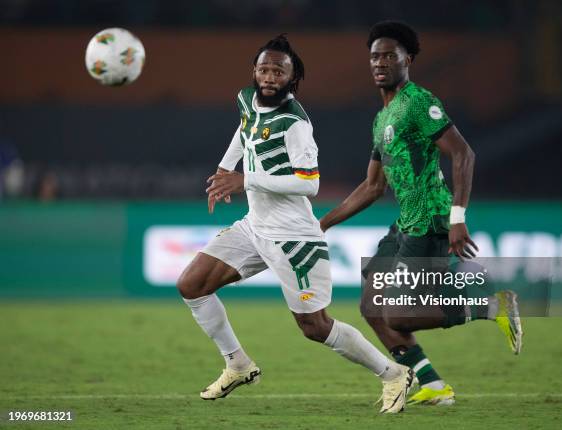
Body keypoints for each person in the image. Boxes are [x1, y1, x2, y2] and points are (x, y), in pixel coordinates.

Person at [177, 34, 414, 414]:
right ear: (254, 72)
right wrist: (225, 169)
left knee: (315, 327)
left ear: (293, 78)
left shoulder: (295, 123)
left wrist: (245, 180)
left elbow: (310, 182)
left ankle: (392, 373)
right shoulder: (246, 99)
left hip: (294, 239)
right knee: (192, 284)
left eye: (278, 71)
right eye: (263, 69)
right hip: (255, 227)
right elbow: (245, 130)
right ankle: (238, 364)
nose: (269, 76)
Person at [319, 21, 523, 406]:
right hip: (404, 223)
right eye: (374, 56)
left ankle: (492, 305)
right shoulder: (381, 119)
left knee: (400, 316)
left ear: (406, 60)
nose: (379, 62)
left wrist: (457, 217)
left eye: (389, 56)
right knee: (371, 306)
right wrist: (324, 222)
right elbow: (373, 186)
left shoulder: (417, 102)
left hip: (430, 219)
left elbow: (464, 153)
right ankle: (432, 384)